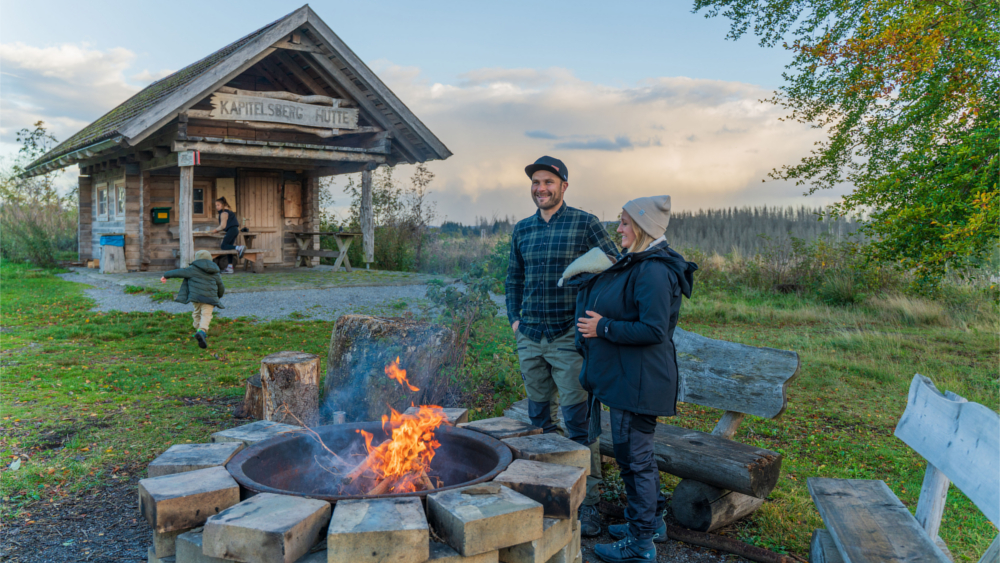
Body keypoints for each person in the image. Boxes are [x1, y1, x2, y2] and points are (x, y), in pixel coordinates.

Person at [565, 195, 696, 563]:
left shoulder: (653, 270)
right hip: (629, 379)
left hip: (639, 383)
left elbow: (654, 329)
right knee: (633, 457)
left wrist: (602, 326)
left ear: (641, 227)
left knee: (634, 459)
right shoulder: (639, 262)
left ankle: (640, 544)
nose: (618, 228)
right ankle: (651, 523)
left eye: (624, 222)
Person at [506, 156, 620, 537]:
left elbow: (613, 264)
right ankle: (545, 490)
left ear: (563, 186)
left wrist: (591, 316)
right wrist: (514, 318)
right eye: (536, 182)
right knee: (538, 419)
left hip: (568, 337)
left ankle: (588, 502)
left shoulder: (584, 223)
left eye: (548, 182)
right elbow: (513, 278)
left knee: (579, 421)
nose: (541, 188)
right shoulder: (522, 230)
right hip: (530, 336)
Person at [161, 249, 226, 349]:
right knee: (206, 315)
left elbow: (179, 272)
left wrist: (166, 275)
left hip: (196, 297)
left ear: (197, 259)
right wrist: (219, 295)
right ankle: (202, 331)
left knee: (196, 313)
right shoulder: (215, 271)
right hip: (210, 298)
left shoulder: (192, 269)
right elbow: (220, 286)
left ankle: (198, 330)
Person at [212, 197, 245, 274]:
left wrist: (216, 230)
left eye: (218, 205)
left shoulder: (224, 213)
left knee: (223, 246)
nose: (217, 207)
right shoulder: (228, 212)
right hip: (234, 230)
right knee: (228, 248)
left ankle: (239, 248)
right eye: (216, 205)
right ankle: (230, 267)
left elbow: (223, 226)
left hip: (232, 230)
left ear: (223, 205)